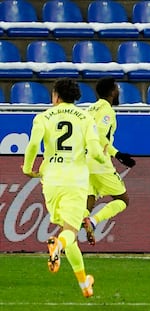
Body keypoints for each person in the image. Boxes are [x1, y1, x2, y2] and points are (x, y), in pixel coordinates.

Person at [22, 78, 105, 297]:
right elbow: (95, 151)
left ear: (56, 96)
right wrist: (101, 159)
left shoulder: (43, 117)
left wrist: (27, 167)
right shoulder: (86, 118)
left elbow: (32, 145)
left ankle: (84, 285)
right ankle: (56, 246)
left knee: (69, 234)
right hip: (76, 181)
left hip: (50, 179)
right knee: (68, 233)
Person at [82, 77, 136, 246]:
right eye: (117, 88)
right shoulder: (107, 111)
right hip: (98, 161)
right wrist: (116, 153)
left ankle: (65, 239)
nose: (118, 91)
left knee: (88, 202)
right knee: (122, 200)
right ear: (112, 92)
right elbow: (98, 135)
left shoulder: (89, 109)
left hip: (83, 161)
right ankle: (94, 221)